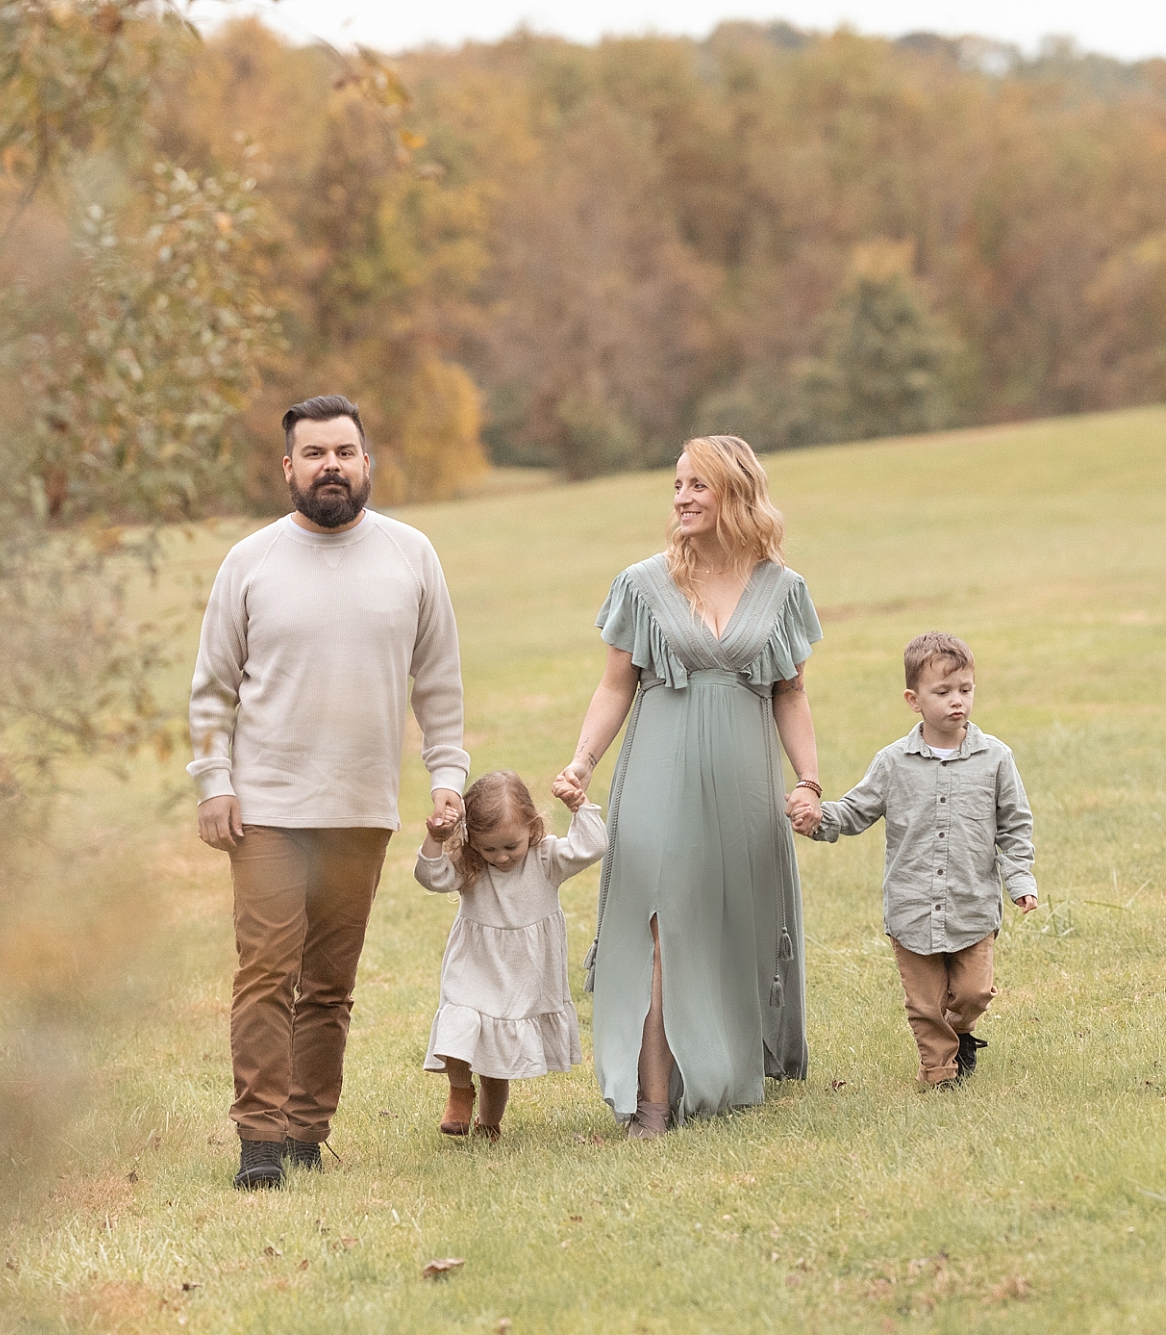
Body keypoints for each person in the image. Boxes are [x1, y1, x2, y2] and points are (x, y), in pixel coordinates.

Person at [187, 395, 468, 1190]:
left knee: (331, 984)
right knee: (266, 972)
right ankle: (260, 1143)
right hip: (268, 807)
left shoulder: (412, 555)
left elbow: (439, 686)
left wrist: (447, 777)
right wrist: (214, 781)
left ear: (366, 460)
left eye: (344, 451)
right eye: (314, 453)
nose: (331, 466)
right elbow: (212, 690)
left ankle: (308, 1132)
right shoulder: (250, 560)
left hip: (361, 808)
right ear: (289, 468)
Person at [552, 435, 823, 1139]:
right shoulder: (643, 583)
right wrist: (583, 761)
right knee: (660, 924)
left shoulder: (781, 588)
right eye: (677, 485)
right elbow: (616, 684)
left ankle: (728, 1068)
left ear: (735, 493)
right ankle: (652, 1100)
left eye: (697, 485)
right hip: (659, 772)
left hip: (744, 776)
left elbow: (790, 693)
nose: (682, 497)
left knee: (732, 919)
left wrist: (810, 779)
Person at [799, 632, 1037, 1088]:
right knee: (925, 1003)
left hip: (972, 904)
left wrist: (1020, 878)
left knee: (973, 992)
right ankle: (939, 1073)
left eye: (965, 690)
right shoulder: (893, 762)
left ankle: (961, 1032)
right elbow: (855, 811)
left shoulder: (996, 759)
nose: (957, 702)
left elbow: (1014, 825)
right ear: (913, 699)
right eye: (942, 692)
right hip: (912, 906)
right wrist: (816, 819)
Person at [414, 771, 603, 1142]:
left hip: (522, 974)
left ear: (532, 829)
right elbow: (431, 878)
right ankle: (459, 1091)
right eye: (489, 849)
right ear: (473, 841)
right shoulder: (472, 862)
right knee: (458, 1018)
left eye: (510, 847)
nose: (500, 857)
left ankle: (489, 1125)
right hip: (476, 964)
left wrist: (580, 806)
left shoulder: (546, 858)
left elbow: (592, 847)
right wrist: (435, 840)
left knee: (495, 1062)